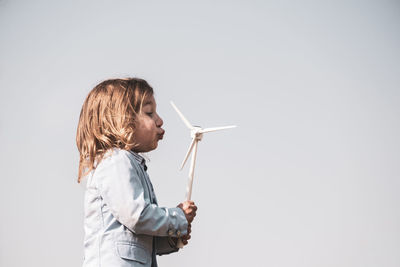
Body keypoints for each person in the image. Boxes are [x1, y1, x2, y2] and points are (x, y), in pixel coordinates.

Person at [76, 78, 197, 267]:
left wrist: (171, 238)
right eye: (149, 113)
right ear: (121, 120)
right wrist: (176, 217)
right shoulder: (116, 161)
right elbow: (137, 216)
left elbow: (138, 237)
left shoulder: (128, 163)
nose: (160, 120)